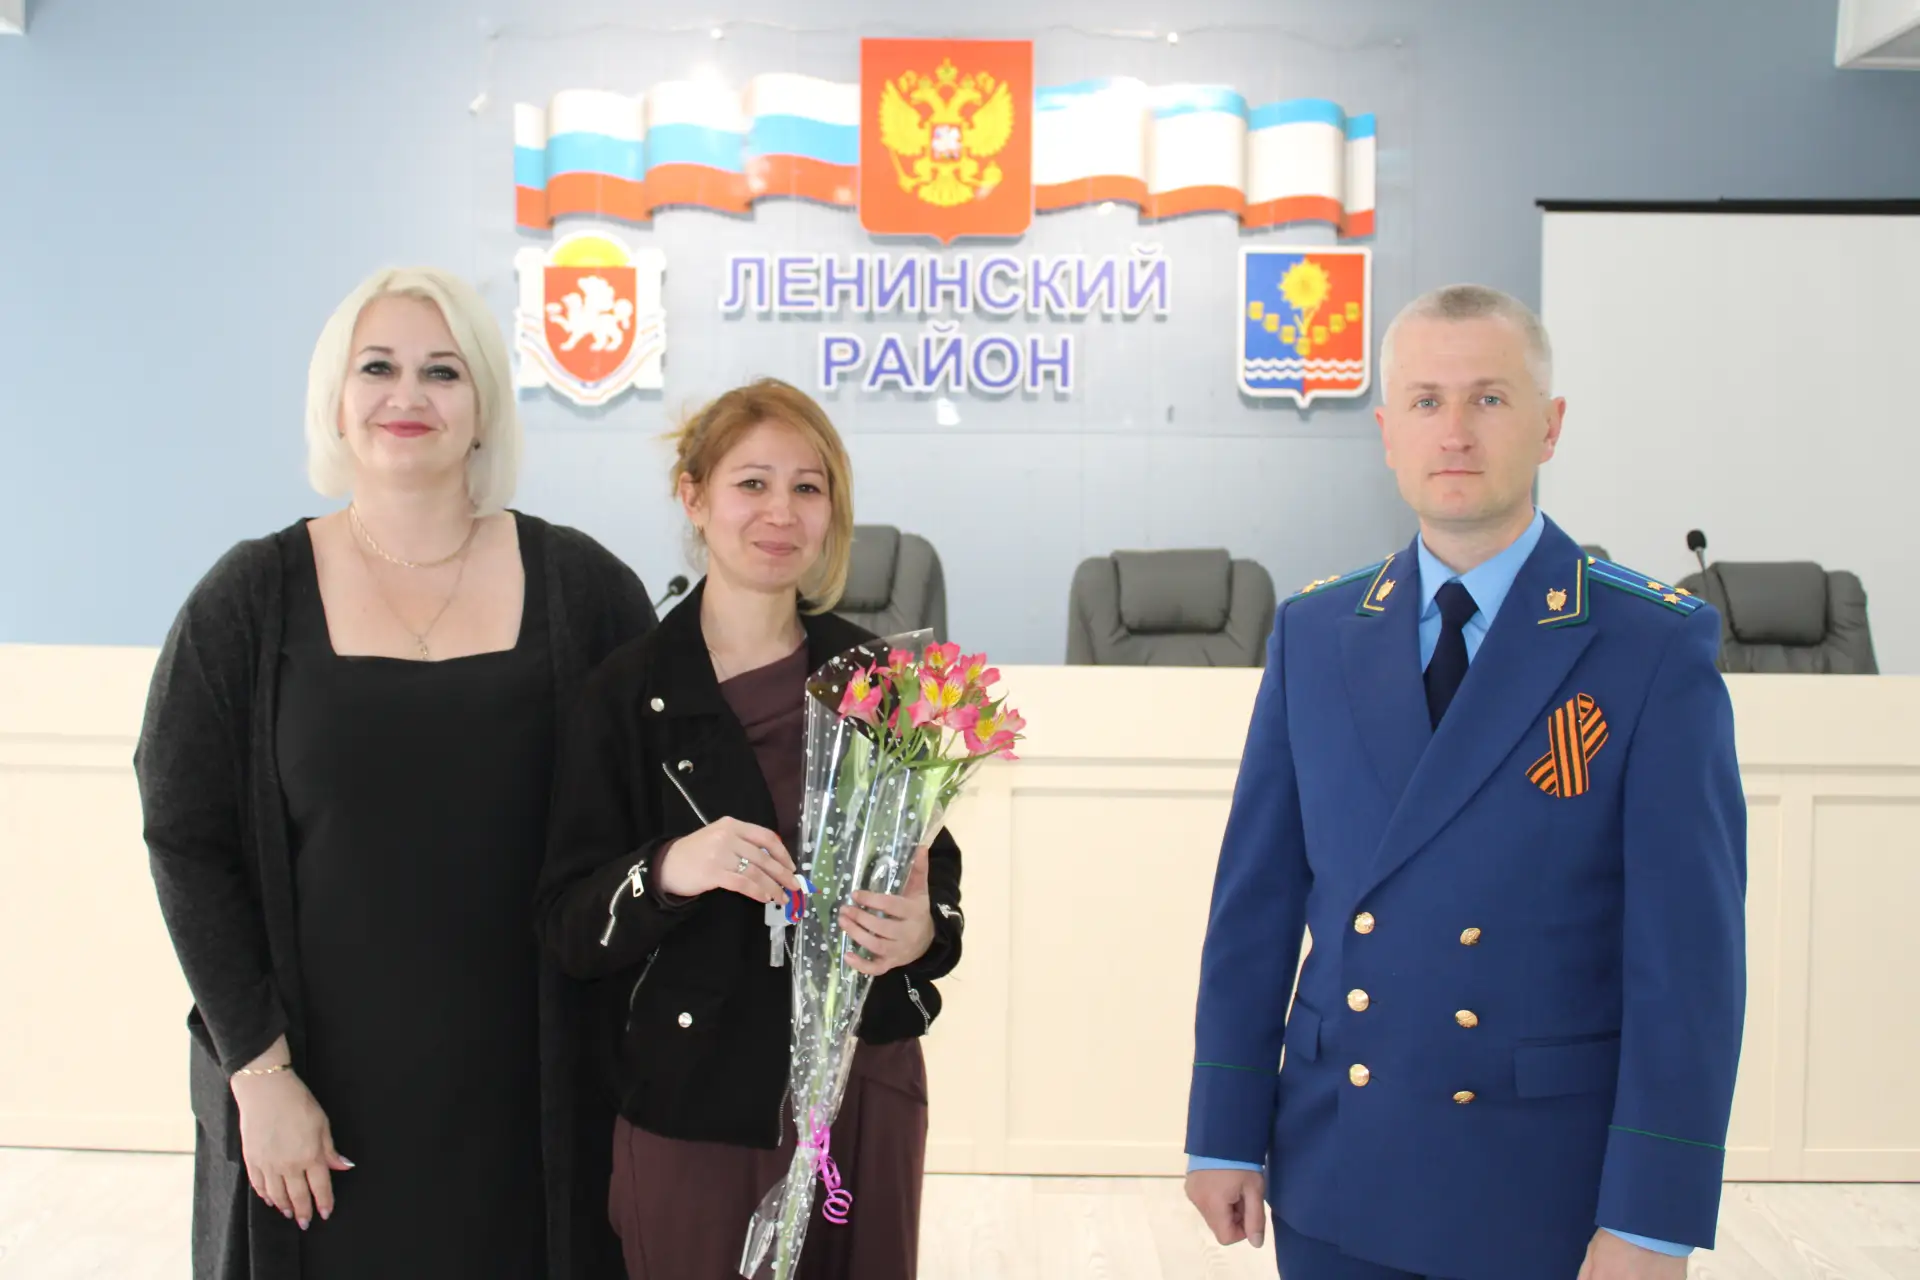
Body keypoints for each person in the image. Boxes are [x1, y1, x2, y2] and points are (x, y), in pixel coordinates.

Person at [1183, 285, 1746, 1280]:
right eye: (1426, 401)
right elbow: (1255, 906)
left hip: (1543, 1187)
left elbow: (1688, 964)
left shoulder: (1649, 645)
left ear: (1550, 425)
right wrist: (1223, 1127)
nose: (1455, 431)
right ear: (1387, 432)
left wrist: (1653, 1216)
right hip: (1336, 1166)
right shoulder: (1315, 631)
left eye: (1489, 398)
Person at [135, 267, 652, 1280]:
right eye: (377, 367)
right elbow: (186, 841)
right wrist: (259, 1073)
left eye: (442, 371)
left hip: (534, 1101)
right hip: (316, 1108)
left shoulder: (584, 590)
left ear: (484, 406)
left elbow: (656, 811)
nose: (407, 395)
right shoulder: (248, 599)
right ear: (335, 399)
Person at [535, 378, 964, 1280]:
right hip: (697, 1102)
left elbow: (939, 884)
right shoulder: (627, 693)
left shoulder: (878, 679)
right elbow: (568, 925)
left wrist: (920, 931)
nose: (782, 512)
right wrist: (670, 868)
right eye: (752, 484)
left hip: (863, 1086)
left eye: (808, 487)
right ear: (693, 497)